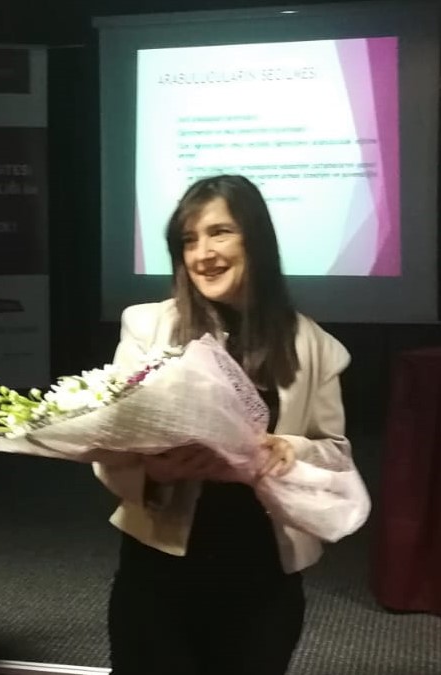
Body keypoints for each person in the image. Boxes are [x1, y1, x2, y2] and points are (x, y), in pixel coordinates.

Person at [94, 174, 357, 675]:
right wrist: (155, 473)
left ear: (255, 239)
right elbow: (110, 442)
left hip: (264, 574)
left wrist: (289, 449)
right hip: (161, 571)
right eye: (189, 240)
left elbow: (334, 452)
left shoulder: (313, 345)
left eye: (220, 232)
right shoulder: (148, 327)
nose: (203, 254)